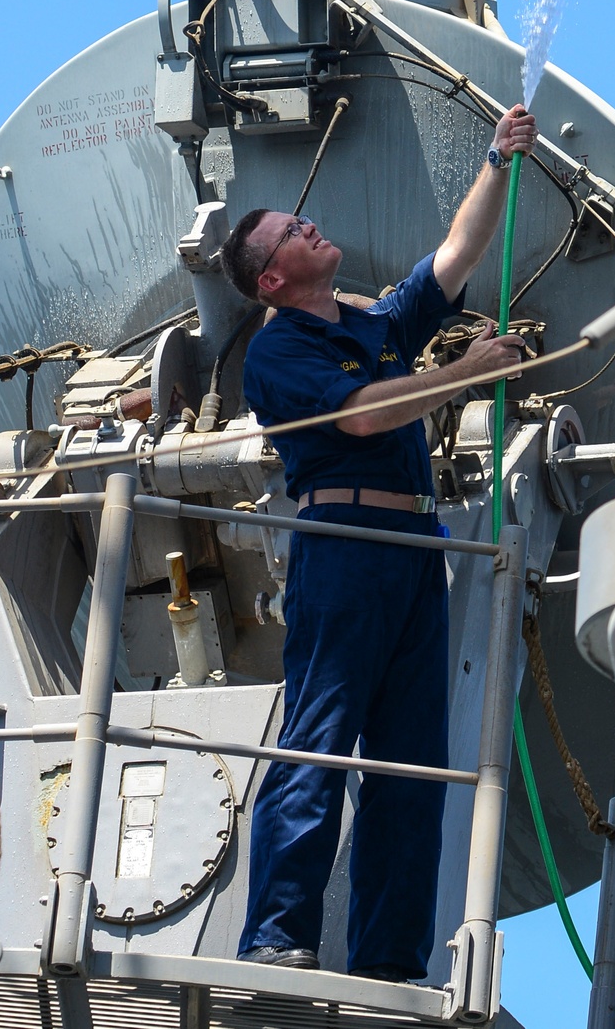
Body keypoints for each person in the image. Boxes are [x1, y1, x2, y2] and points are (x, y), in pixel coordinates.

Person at [218, 104, 537, 982]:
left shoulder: (371, 328)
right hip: (346, 544)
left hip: (411, 548)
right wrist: (465, 373)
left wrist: (497, 161)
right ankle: (278, 934)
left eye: (303, 218)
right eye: (292, 230)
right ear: (271, 280)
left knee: (411, 768)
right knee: (319, 740)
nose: (309, 224)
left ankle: (389, 962)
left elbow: (453, 259)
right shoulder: (278, 352)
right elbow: (361, 417)